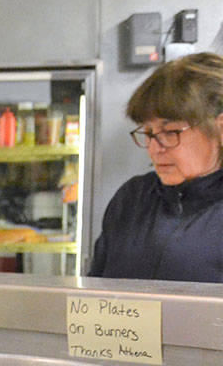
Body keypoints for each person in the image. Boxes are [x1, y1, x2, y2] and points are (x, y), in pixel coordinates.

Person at [90, 52, 223, 282]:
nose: (154, 148)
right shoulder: (132, 198)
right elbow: (94, 290)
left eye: (170, 132)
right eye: (149, 133)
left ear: (220, 129)